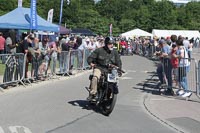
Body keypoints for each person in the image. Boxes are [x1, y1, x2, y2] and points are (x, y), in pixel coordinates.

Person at [87, 36, 122, 101]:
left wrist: (119, 70)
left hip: (110, 70)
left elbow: (118, 62)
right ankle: (93, 94)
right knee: (95, 77)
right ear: (106, 44)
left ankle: (110, 94)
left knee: (114, 82)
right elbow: (90, 57)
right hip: (99, 68)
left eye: (112, 44)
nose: (111, 45)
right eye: (109, 44)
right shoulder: (99, 50)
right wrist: (91, 63)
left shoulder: (115, 52)